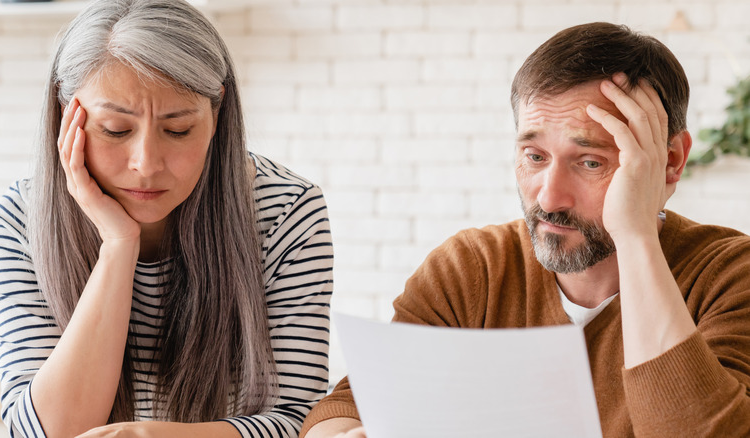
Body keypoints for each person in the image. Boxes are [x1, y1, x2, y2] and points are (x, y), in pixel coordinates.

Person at [300, 22, 750, 438]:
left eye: (590, 162)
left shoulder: (730, 275)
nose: (549, 198)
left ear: (669, 161)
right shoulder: (473, 269)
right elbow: (351, 404)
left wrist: (635, 236)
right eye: (535, 157)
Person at [0, 0, 333, 437]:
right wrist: (117, 244)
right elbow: (46, 431)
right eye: (115, 129)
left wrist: (154, 436)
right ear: (65, 113)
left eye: (178, 129)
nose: (146, 164)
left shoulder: (286, 212)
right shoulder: (20, 222)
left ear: (218, 113)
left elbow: (300, 421)